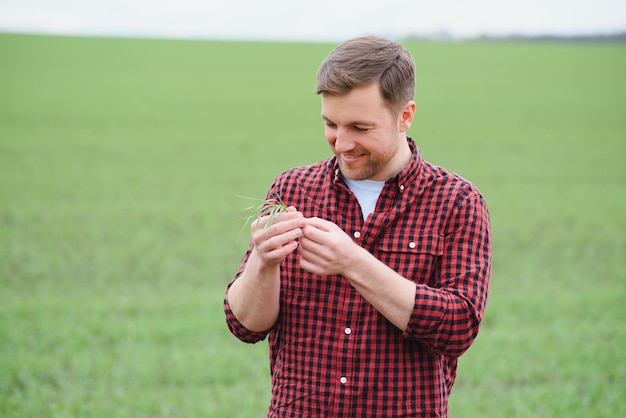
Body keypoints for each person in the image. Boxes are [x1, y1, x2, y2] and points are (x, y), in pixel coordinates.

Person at [224, 35, 492, 417]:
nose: (342, 143)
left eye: (360, 128)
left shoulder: (457, 202)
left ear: (405, 116)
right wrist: (262, 264)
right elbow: (244, 325)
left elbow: (458, 327)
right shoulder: (292, 189)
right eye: (331, 124)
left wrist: (352, 262)